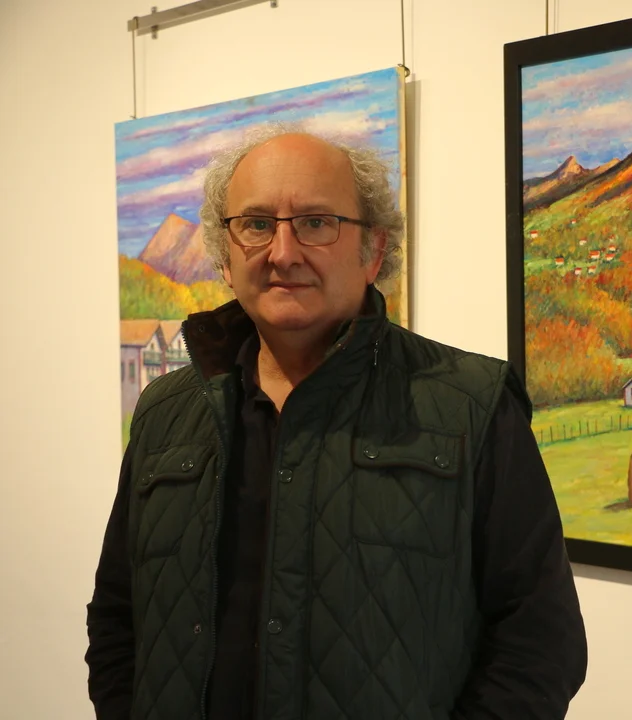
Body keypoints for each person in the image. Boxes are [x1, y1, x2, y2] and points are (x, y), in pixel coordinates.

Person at [85, 127, 588, 720]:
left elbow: (539, 646)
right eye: (256, 224)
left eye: (316, 222)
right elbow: (119, 616)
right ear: (224, 257)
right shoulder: (165, 411)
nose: (283, 252)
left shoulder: (472, 408)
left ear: (372, 250)